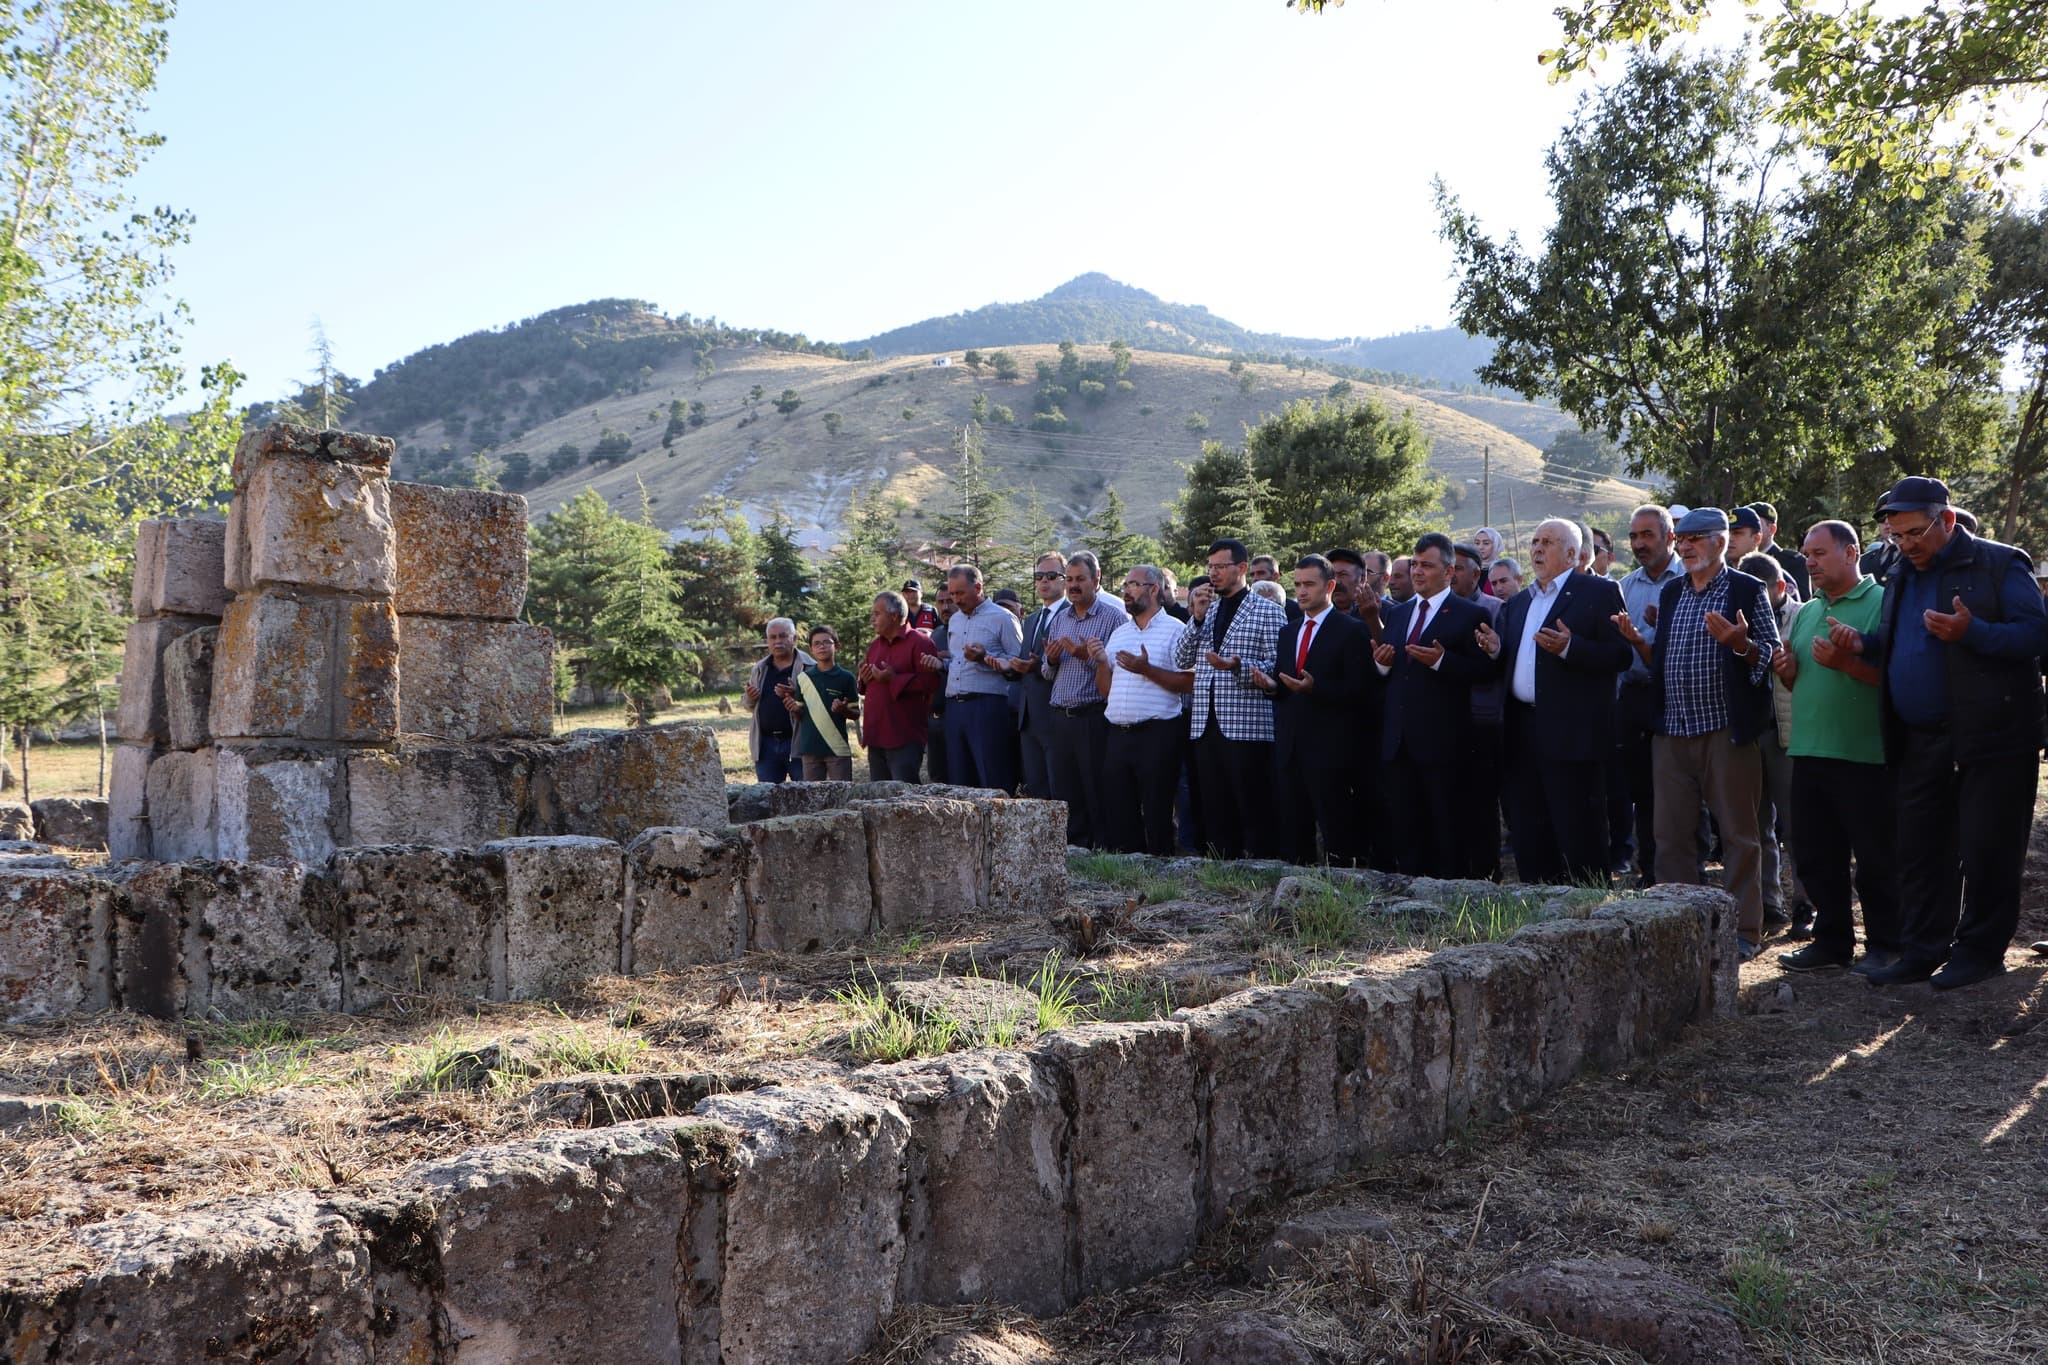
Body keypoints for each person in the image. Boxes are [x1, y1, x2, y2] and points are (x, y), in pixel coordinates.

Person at [1832, 476, 2048, 988]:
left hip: (1991, 737)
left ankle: (1979, 952)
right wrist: (1863, 644)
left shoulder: (2000, 563)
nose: (1906, 545)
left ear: (1946, 520)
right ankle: (1922, 950)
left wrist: (1972, 632)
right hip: (1920, 739)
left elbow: (2037, 634)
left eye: (1914, 533)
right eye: (1895, 536)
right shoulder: (1903, 572)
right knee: (1922, 850)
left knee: (1987, 848)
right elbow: (1898, 638)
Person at [1614, 507, 1780, 960]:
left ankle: (1744, 932)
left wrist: (1740, 644)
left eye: (1694, 538)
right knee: (1670, 838)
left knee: (1739, 837)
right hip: (1671, 730)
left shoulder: (1745, 589)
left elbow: (1771, 656)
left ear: (1720, 542)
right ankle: (1679, 931)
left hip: (1726, 732)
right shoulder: (1672, 593)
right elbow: (1662, 660)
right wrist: (1638, 643)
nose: (1684, 546)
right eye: (1680, 539)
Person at [1771, 522, 1902, 975]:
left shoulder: (1883, 603)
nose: (1810, 561)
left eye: (1820, 553)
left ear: (1851, 553)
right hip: (1809, 751)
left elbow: (1895, 680)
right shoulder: (1808, 611)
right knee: (1814, 854)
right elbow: (1799, 679)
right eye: (1806, 553)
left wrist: (1848, 662)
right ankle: (1832, 942)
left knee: (1875, 858)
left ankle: (1887, 943)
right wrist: (1786, 670)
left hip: (1863, 754)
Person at [1475, 519, 1631, 885]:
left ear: (1573, 553)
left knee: (1580, 834)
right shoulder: (1518, 602)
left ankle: (1590, 912)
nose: (1538, 549)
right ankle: (1538, 909)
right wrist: (1498, 652)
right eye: (1535, 542)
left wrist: (1571, 648)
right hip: (1521, 732)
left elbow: (1620, 656)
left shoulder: (1597, 591)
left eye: (1548, 542)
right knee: (1530, 833)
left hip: (1573, 734)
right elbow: (1517, 663)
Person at [1374, 533, 1492, 877]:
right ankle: (1411, 893)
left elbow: (1484, 671)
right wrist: (1380, 664)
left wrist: (1443, 661)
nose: (1417, 572)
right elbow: (1391, 670)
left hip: (1443, 742)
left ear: (1449, 570)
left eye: (1427, 565)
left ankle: (1448, 895)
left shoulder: (1470, 614)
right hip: (1399, 742)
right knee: (1406, 825)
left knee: (1446, 826)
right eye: (1414, 564)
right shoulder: (1397, 615)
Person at [1250, 554, 1372, 865]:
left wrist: (1316, 689)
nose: (1302, 592)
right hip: (1291, 748)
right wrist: (1271, 686)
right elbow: (1285, 683)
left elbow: (1361, 692)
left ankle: (1342, 898)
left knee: (1337, 831)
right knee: (1294, 831)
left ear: (1330, 585)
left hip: (1332, 749)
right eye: (1297, 585)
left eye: (1309, 584)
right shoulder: (1288, 631)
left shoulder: (1351, 630)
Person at [1174, 538, 1285, 859]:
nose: (1213, 574)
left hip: (1248, 727)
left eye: (1220, 567)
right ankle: (1221, 869)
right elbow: (1181, 659)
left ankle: (1262, 869)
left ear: (1241, 568)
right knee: (1213, 806)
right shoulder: (1206, 610)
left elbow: (1276, 666)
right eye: (1209, 567)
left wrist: (1239, 666)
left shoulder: (1266, 610)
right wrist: (1194, 618)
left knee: (1253, 807)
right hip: (1205, 725)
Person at [1614, 505, 1685, 881]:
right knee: (1642, 790)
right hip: (1635, 697)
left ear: (1670, 537)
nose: (1639, 544)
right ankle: (1651, 871)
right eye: (1634, 536)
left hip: (1677, 696)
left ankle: (1688, 873)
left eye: (1648, 535)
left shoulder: (1688, 580)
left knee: (1682, 791)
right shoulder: (1624, 587)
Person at [1100, 565, 1191, 854]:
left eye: (1134, 585)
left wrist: (1146, 669)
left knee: (1157, 808)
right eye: (1125, 585)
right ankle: (1129, 869)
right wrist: (1101, 662)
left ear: (1154, 589)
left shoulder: (1176, 630)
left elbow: (1187, 683)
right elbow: (1105, 691)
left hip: (1158, 733)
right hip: (1118, 733)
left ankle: (1161, 867)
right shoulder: (1119, 633)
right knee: (1120, 806)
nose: (1126, 591)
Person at [1740, 552, 1808, 934]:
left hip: (1790, 734)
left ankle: (1804, 902)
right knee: (1755, 823)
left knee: (1796, 824)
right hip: (1751, 733)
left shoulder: (1802, 617)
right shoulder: (1738, 616)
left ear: (1780, 588)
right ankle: (1768, 902)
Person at [1040, 550, 1128, 846]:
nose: (1073, 585)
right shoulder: (1060, 619)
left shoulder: (1114, 618)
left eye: (1081, 579)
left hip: (1092, 717)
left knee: (1096, 789)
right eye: (1070, 579)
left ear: (1097, 579)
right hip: (1059, 718)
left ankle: (1102, 850)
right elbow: (1047, 673)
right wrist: (1051, 661)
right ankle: (1074, 850)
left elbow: (1118, 673)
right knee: (1065, 789)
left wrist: (1084, 656)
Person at [941, 564, 1024, 791]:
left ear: (978, 587)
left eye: (960, 593)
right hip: (955, 708)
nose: (955, 600)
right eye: (952, 594)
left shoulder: (1003, 619)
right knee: (960, 783)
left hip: (987, 708)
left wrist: (984, 658)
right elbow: (958, 660)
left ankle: (998, 826)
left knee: (992, 780)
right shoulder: (955, 620)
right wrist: (940, 664)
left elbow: (1018, 665)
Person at [1452, 542, 1507, 878]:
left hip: (1484, 719)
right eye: (1449, 567)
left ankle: (1488, 874)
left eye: (1459, 568)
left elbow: (1502, 662)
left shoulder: (1495, 610)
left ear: (1476, 573)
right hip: (1447, 720)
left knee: (1483, 804)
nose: (1452, 574)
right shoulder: (1439, 611)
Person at [857, 591, 940, 780]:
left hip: (904, 735)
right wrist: (865, 678)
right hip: (876, 734)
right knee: (879, 798)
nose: (872, 619)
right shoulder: (876, 645)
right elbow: (866, 685)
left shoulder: (921, 643)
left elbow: (931, 683)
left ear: (894, 616)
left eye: (877, 614)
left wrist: (894, 680)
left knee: (903, 797)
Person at [1006, 552, 1067, 800]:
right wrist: (1008, 666)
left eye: (1051, 576)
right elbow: (1025, 662)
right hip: (1028, 717)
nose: (1044, 581)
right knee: (1036, 789)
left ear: (1064, 579)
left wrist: (1038, 666)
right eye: (1039, 576)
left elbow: (1070, 666)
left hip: (1055, 715)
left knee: (1060, 788)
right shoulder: (1031, 620)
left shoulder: (1070, 615)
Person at [744, 617, 813, 783]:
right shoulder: (760, 668)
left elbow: (820, 708)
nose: (777, 642)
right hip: (765, 746)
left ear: (794, 638)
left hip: (799, 744)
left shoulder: (809, 667)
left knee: (806, 797)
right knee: (768, 800)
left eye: (783, 636)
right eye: (773, 637)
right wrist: (750, 698)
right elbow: (748, 705)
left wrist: (797, 697)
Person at [790, 624, 859, 781]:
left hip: (837, 748)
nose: (822, 647)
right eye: (817, 644)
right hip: (810, 749)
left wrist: (843, 709)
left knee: (842, 795)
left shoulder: (847, 678)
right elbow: (799, 714)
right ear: (811, 650)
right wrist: (792, 708)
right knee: (812, 797)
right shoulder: (803, 678)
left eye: (827, 642)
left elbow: (855, 714)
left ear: (837, 646)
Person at [1747, 501, 1811, 598]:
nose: (1750, 530)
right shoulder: (1733, 560)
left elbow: (1801, 604)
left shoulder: (1794, 562)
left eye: (1756, 525)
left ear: (1772, 529)